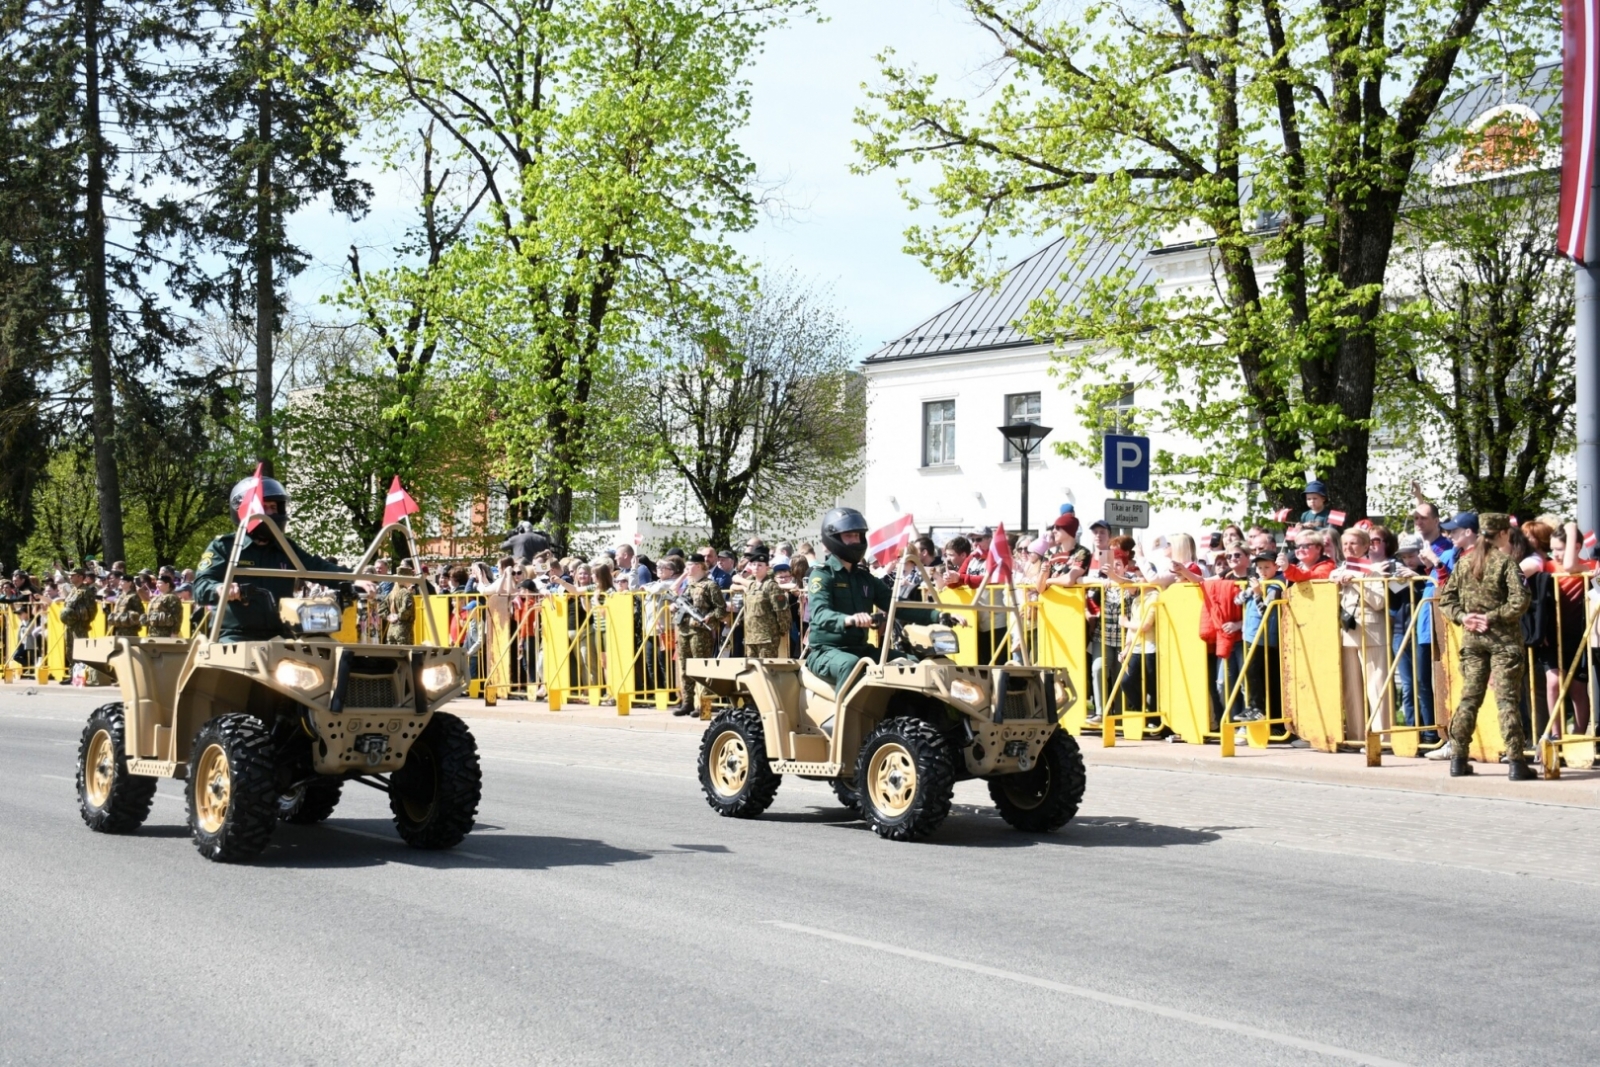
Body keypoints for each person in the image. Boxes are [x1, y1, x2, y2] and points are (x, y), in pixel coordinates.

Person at [192, 474, 349, 642]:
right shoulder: (224, 546)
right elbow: (200, 586)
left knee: (331, 656)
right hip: (236, 637)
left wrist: (353, 580)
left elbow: (317, 567)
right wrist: (220, 588)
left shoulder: (285, 547)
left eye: (274, 507)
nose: (271, 513)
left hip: (281, 635)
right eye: (265, 507)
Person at [1436, 513, 1533, 779]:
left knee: (1469, 698)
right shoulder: (1506, 563)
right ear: (1503, 533)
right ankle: (1516, 762)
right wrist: (1491, 617)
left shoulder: (1465, 562)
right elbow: (1520, 601)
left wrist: (1465, 617)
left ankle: (1458, 758)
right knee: (1507, 700)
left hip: (1472, 640)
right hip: (1503, 641)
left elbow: (1446, 600)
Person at [804, 507, 936, 691]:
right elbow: (819, 614)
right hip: (827, 652)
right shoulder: (823, 575)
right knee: (850, 665)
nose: (855, 540)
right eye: (849, 536)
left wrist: (939, 615)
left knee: (914, 663)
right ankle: (846, 719)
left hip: (861, 649)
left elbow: (898, 606)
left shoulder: (865, 578)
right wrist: (849, 620)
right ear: (834, 538)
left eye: (858, 535)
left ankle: (901, 717)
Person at [671, 553, 726, 716]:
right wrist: (675, 607)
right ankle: (687, 702)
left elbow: (720, 609)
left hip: (700, 632)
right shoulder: (689, 585)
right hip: (684, 630)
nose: (687, 569)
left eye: (690, 565)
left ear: (700, 566)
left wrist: (710, 616)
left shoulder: (710, 585)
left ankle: (705, 705)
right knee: (685, 668)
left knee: (702, 668)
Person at [738, 549, 790, 658]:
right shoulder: (751, 586)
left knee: (767, 670)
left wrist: (783, 629)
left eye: (760, 565)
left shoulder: (771, 586)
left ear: (767, 568)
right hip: (751, 637)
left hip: (767, 637)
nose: (756, 567)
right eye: (754, 565)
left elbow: (782, 611)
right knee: (752, 670)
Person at [58, 567, 101, 683]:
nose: (71, 577)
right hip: (70, 625)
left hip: (80, 625)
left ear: (80, 577)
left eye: (73, 575)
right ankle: (73, 676)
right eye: (70, 575)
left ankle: (81, 676)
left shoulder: (86, 591)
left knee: (81, 650)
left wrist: (85, 621)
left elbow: (92, 609)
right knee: (70, 650)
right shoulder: (73, 590)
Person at [383, 565, 417, 644]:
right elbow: (405, 611)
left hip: (391, 629)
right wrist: (397, 617)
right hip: (403, 631)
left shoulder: (391, 593)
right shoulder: (406, 593)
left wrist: (390, 617)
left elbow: (381, 608)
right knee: (405, 655)